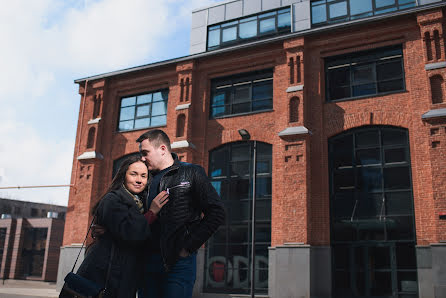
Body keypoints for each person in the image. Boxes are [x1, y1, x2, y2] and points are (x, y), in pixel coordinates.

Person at [137, 129, 225, 298]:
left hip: (178, 264)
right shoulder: (144, 181)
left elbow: (217, 212)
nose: (142, 158)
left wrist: (188, 247)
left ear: (162, 149)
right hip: (147, 264)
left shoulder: (191, 172)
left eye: (145, 153)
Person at [76, 155, 169, 298]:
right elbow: (130, 233)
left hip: (125, 275)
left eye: (144, 176)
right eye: (134, 174)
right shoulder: (112, 199)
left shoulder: (141, 202)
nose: (139, 180)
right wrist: (152, 213)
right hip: (105, 273)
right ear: (123, 175)